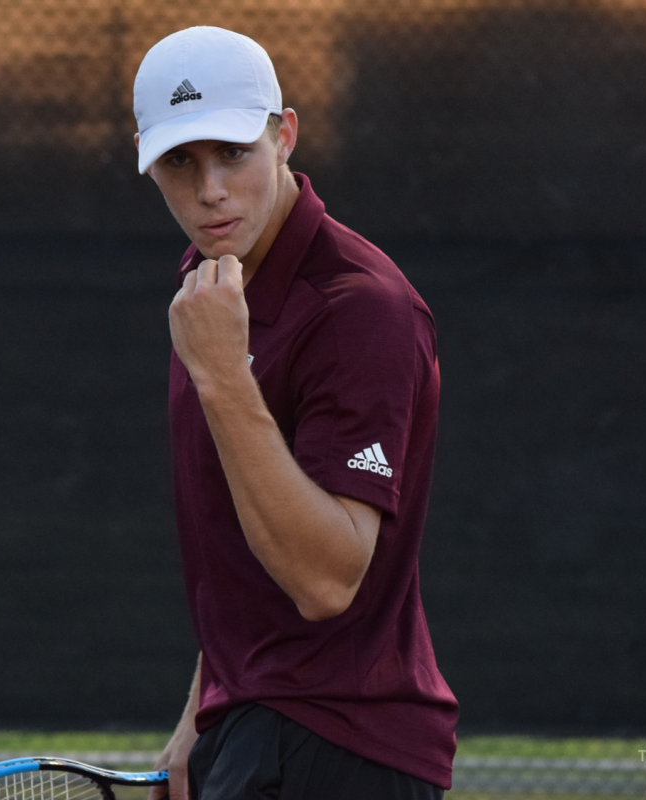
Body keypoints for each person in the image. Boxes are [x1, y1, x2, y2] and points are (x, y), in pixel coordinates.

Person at [133, 26, 458, 800]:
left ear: (283, 137)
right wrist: (201, 714)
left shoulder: (361, 310)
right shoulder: (215, 278)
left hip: (341, 750)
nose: (210, 189)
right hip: (257, 724)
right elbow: (241, 548)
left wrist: (224, 382)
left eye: (233, 153)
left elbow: (325, 578)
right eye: (181, 162)